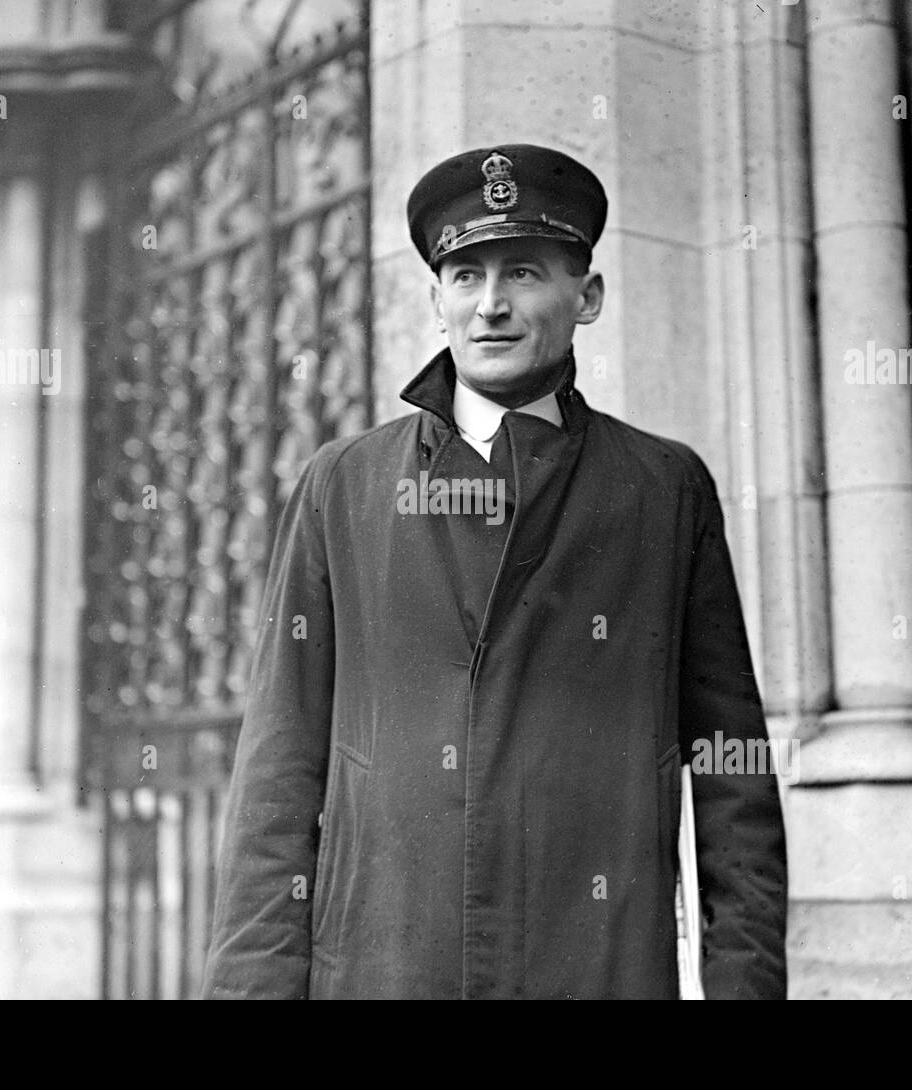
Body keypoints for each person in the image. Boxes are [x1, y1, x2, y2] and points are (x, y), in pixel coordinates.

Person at [202, 143, 787, 1000]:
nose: (492, 306)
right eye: (466, 275)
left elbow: (733, 769)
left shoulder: (663, 489)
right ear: (435, 300)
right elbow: (280, 766)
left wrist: (743, 989)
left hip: (598, 968)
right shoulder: (346, 485)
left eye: (523, 272)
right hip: (385, 969)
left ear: (586, 297)